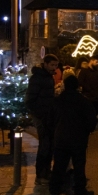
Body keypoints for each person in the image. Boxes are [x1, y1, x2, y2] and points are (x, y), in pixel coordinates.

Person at [49, 75, 98, 195]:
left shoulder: (58, 100)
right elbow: (91, 119)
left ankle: (54, 188)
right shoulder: (83, 101)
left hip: (61, 137)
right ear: (77, 86)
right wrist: (88, 130)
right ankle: (79, 190)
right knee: (79, 165)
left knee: (59, 164)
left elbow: (50, 119)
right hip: (78, 138)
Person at [26, 54, 59, 185]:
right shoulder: (37, 78)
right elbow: (30, 100)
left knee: (50, 145)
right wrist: (39, 115)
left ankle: (47, 172)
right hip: (41, 117)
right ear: (45, 64)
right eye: (52, 65)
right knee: (44, 146)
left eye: (56, 65)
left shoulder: (48, 77)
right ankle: (40, 176)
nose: (54, 68)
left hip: (48, 116)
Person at [78, 56, 98, 121]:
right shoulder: (84, 71)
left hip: (96, 96)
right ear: (91, 61)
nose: (97, 63)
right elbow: (80, 81)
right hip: (88, 96)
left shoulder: (97, 72)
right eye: (96, 62)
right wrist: (88, 88)